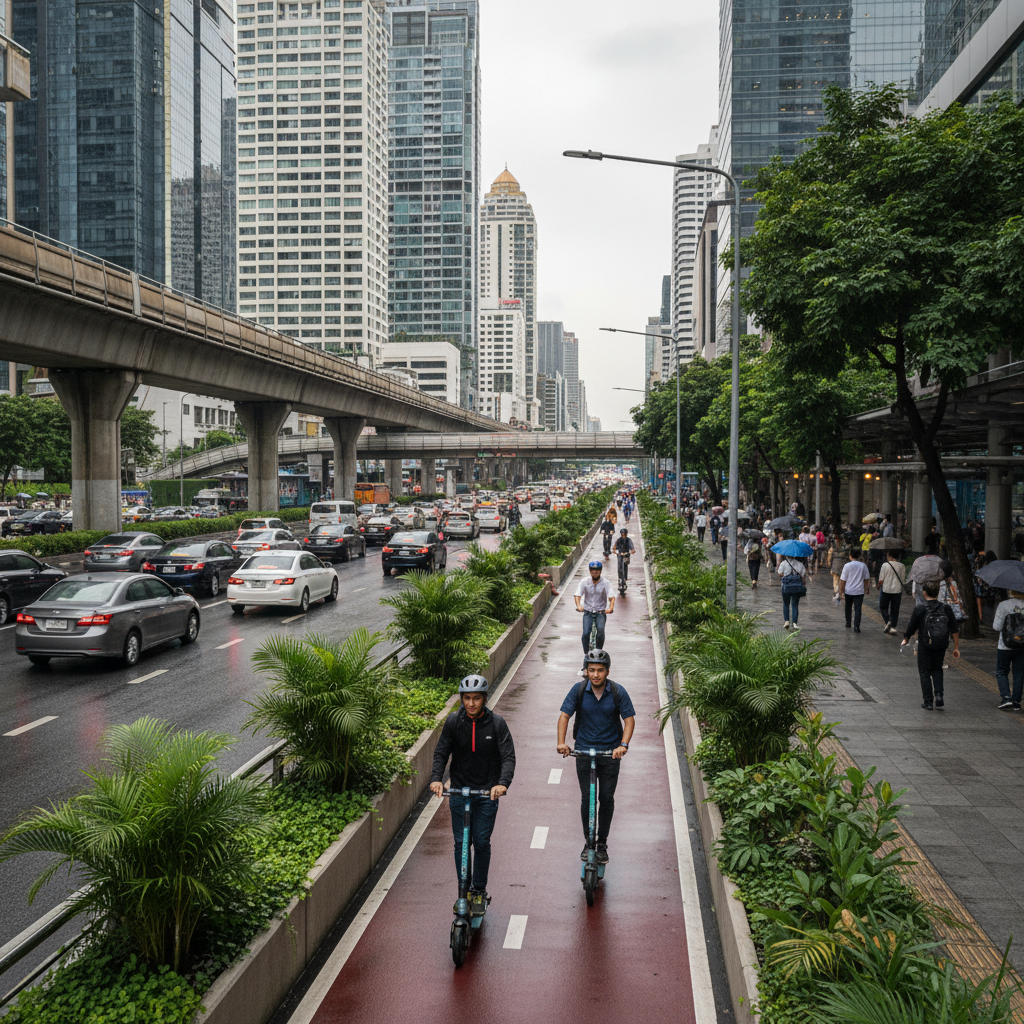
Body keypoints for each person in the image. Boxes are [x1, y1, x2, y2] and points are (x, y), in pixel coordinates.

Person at [430, 675, 516, 915]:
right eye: (466, 698)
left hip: (487, 794)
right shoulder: (453, 722)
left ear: (484, 699)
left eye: (476, 698)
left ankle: (478, 890)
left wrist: (502, 784)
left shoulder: (497, 724)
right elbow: (441, 752)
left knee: (480, 841)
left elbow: (508, 757)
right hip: (459, 791)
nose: (471, 703)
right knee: (461, 843)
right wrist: (437, 778)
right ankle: (463, 890)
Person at [556, 649, 636, 865]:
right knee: (587, 799)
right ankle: (588, 841)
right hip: (583, 751)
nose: (596, 674)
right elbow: (564, 716)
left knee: (606, 798)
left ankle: (602, 843)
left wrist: (623, 745)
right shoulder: (579, 690)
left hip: (610, 754)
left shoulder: (618, 692)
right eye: (591, 670)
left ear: (607, 671)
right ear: (586, 671)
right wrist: (562, 743)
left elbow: (629, 720)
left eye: (600, 670)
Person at [901, 580, 960, 710]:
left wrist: (906, 637)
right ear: (938, 593)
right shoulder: (946, 608)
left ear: (924, 592)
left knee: (924, 671)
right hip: (941, 643)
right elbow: (954, 629)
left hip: (925, 644)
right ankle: (939, 695)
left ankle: (928, 701)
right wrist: (956, 648)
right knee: (937, 668)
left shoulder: (920, 608)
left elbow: (912, 626)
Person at [574, 560, 615, 672]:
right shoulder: (584, 582)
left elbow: (611, 596)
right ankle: (587, 655)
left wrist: (610, 607)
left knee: (600, 631)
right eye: (593, 570)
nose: (595, 572)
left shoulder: (605, 583)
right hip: (587, 612)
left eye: (597, 570)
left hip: (600, 612)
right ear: (590, 571)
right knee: (585, 633)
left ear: (600, 571)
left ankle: (598, 651)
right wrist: (579, 606)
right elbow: (577, 594)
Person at [992, 589, 1024, 710]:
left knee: (1001, 671)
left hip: (1005, 645)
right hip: (1022, 645)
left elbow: (996, 627)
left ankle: (1006, 697)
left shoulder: (1004, 605)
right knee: (1019, 673)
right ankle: (1016, 701)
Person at [839, 548, 871, 632]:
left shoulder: (847, 566)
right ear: (859, 556)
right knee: (858, 608)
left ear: (850, 556)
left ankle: (848, 622)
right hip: (859, 591)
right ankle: (856, 626)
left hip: (848, 590)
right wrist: (867, 589)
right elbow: (867, 579)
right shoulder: (863, 565)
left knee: (848, 607)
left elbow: (843, 580)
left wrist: (840, 591)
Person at [878, 549, 907, 635]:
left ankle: (888, 621)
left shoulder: (885, 565)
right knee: (895, 609)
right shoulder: (902, 566)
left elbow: (881, 580)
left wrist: (878, 585)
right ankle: (892, 626)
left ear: (890, 556)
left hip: (886, 589)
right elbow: (902, 579)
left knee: (883, 607)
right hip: (897, 590)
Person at [777, 553, 807, 628]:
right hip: (796, 587)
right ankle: (794, 623)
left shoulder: (783, 563)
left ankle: (786, 621)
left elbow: (780, 573)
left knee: (786, 603)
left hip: (785, 587)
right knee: (795, 604)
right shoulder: (800, 564)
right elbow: (803, 575)